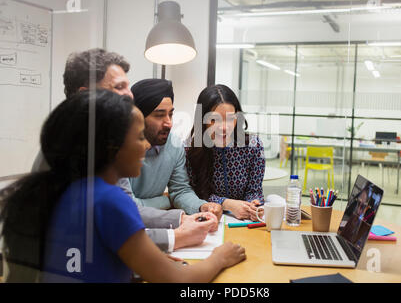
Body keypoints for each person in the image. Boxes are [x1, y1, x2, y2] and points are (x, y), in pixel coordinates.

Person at [0, 90, 245, 283]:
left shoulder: (68, 192)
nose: (147, 147)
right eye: (139, 137)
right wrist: (219, 258)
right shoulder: (109, 200)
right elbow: (178, 279)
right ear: (111, 147)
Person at [30, 48, 216, 253]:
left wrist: (182, 218)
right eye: (119, 87)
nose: (129, 95)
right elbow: (117, 224)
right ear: (85, 97)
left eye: (127, 86)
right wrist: (176, 236)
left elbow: (121, 214)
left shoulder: (101, 143)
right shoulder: (71, 149)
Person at [128, 79, 223, 219]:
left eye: (171, 114)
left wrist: (202, 206)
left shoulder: (174, 144)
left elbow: (180, 191)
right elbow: (127, 206)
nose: (169, 123)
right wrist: (166, 200)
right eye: (159, 115)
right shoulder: (119, 148)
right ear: (138, 117)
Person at [185, 84, 265, 221]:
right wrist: (227, 204)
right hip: (209, 221)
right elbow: (192, 194)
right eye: (214, 120)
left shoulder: (253, 146)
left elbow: (254, 190)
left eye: (230, 118)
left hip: (244, 222)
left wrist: (253, 205)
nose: (224, 128)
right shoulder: (190, 149)